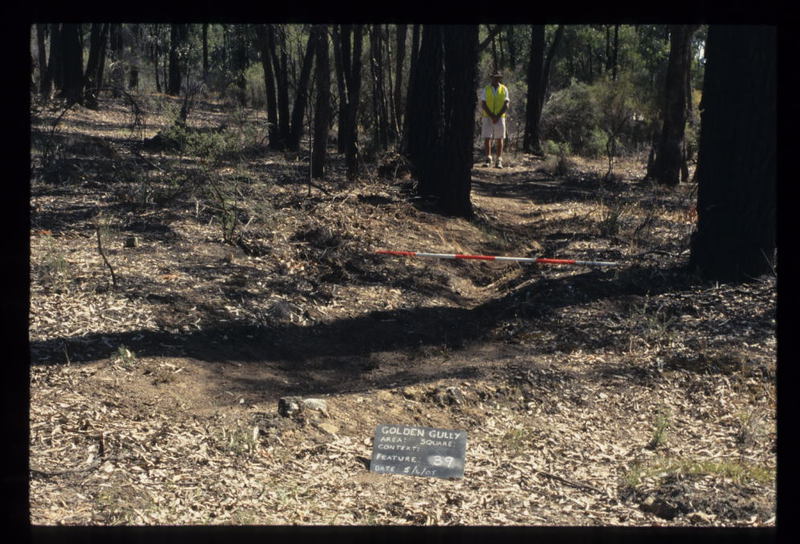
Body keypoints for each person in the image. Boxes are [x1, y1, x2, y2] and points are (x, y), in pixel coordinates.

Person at [479, 72, 510, 168]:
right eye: (494, 78)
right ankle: (488, 158)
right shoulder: (486, 89)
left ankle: (499, 160)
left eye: (498, 78)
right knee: (487, 137)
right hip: (487, 116)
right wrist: (492, 116)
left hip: (500, 117)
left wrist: (498, 116)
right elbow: (483, 104)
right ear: (491, 78)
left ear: (500, 78)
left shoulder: (504, 89)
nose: (496, 79)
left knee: (499, 138)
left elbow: (506, 104)